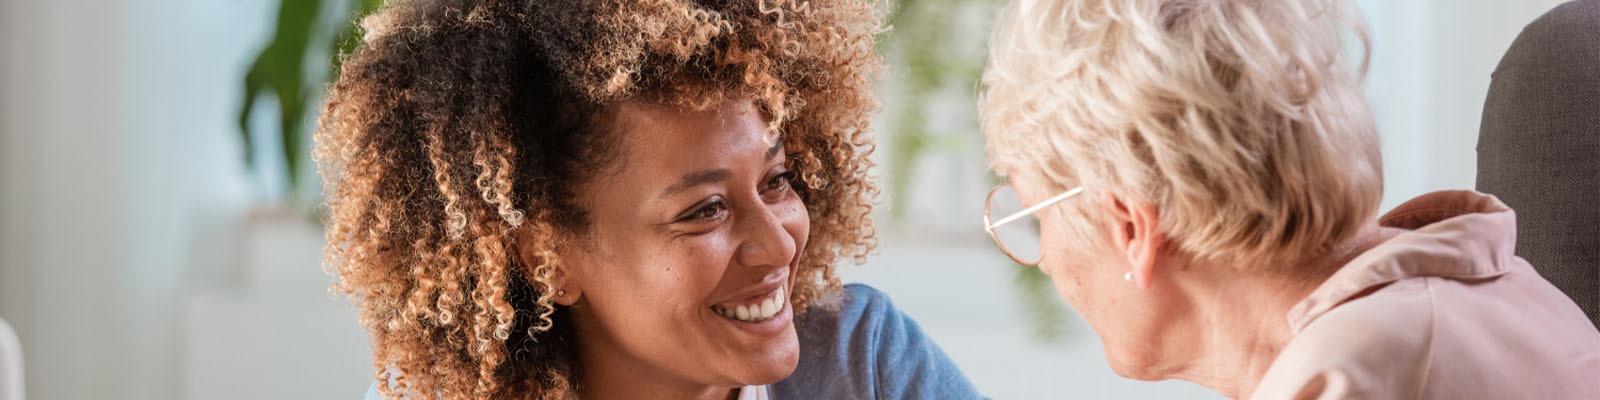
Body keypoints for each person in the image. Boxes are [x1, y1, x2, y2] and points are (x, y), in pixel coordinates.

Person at [315, 0, 982, 399]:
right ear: (548, 259)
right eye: (704, 211)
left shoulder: (858, 364)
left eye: (776, 181)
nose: (780, 243)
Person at [977, 0, 1600, 399]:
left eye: (1038, 221)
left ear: (1132, 229)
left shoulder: (1358, 376)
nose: (1050, 263)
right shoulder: (1500, 291)